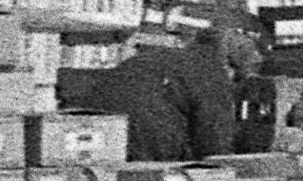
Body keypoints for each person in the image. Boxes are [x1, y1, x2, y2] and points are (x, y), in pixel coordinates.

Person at [62, 25, 250, 161]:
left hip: (96, 132)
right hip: (145, 136)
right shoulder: (211, 73)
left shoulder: (163, 57)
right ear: (229, 65)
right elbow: (213, 144)